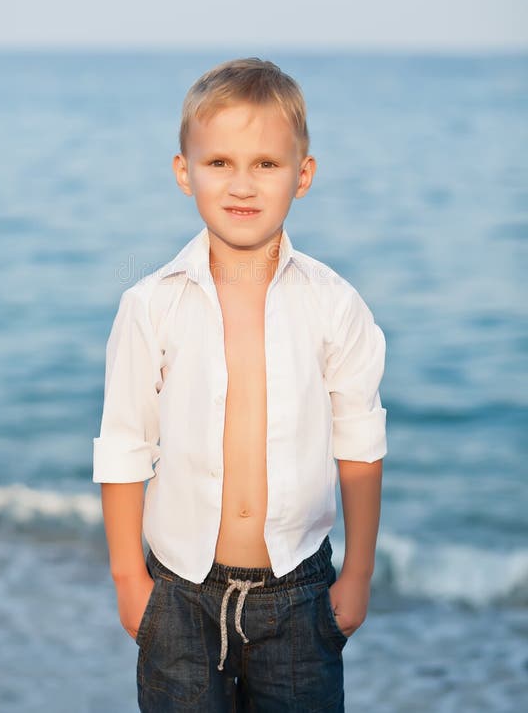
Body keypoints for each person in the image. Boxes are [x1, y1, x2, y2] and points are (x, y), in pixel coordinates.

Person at [92, 57, 387, 712]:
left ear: (302, 176)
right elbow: (124, 444)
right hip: (179, 592)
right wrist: (127, 580)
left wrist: (358, 575)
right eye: (219, 162)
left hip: (299, 592)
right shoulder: (151, 306)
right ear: (184, 172)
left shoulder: (335, 305)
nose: (242, 184)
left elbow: (360, 441)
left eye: (266, 164)